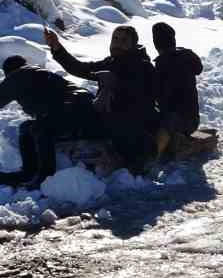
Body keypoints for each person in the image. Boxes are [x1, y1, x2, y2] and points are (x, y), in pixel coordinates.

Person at [0, 56, 103, 188]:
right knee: (27, 127)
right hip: (90, 112)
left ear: (8, 73)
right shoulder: (42, 74)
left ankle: (45, 176)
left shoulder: (18, 76)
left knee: (41, 129)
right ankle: (28, 172)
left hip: (73, 110)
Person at [47, 24, 159, 173]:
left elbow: (141, 99)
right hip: (111, 120)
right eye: (115, 39)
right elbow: (80, 68)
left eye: (124, 40)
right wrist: (57, 48)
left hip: (134, 128)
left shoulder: (143, 67)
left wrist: (114, 84)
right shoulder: (110, 62)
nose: (118, 43)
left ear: (133, 45)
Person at [151, 23, 203, 156]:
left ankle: (153, 156)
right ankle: (178, 139)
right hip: (193, 119)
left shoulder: (162, 64)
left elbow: (158, 94)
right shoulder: (186, 55)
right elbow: (199, 68)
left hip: (176, 122)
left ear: (156, 44)